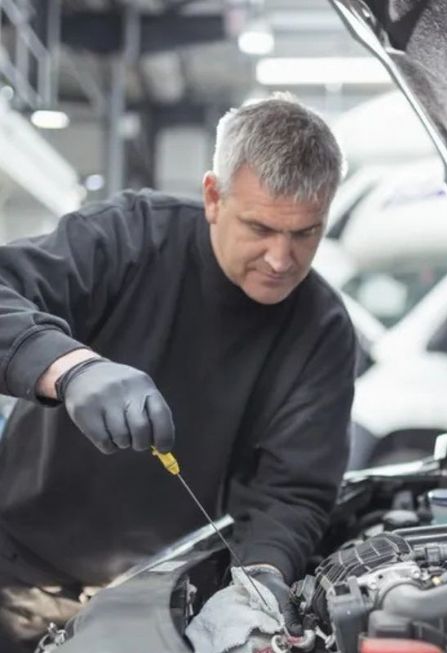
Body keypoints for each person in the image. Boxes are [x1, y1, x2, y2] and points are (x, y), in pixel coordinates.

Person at [0, 94, 355, 652]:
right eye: (260, 227)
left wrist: (260, 579)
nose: (282, 259)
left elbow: (294, 491)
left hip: (162, 601)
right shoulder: (128, 238)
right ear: (214, 197)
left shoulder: (322, 329)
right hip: (18, 567)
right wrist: (68, 367)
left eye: (305, 233)